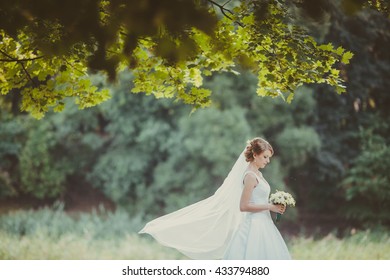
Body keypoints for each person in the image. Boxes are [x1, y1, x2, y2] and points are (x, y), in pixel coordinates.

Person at [139, 137, 291, 260]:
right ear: (255, 155)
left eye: (269, 157)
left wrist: (274, 204)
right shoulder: (250, 176)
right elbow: (243, 206)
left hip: (264, 224)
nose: (267, 161)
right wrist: (270, 207)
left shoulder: (259, 174)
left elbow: (257, 199)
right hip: (254, 226)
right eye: (265, 157)